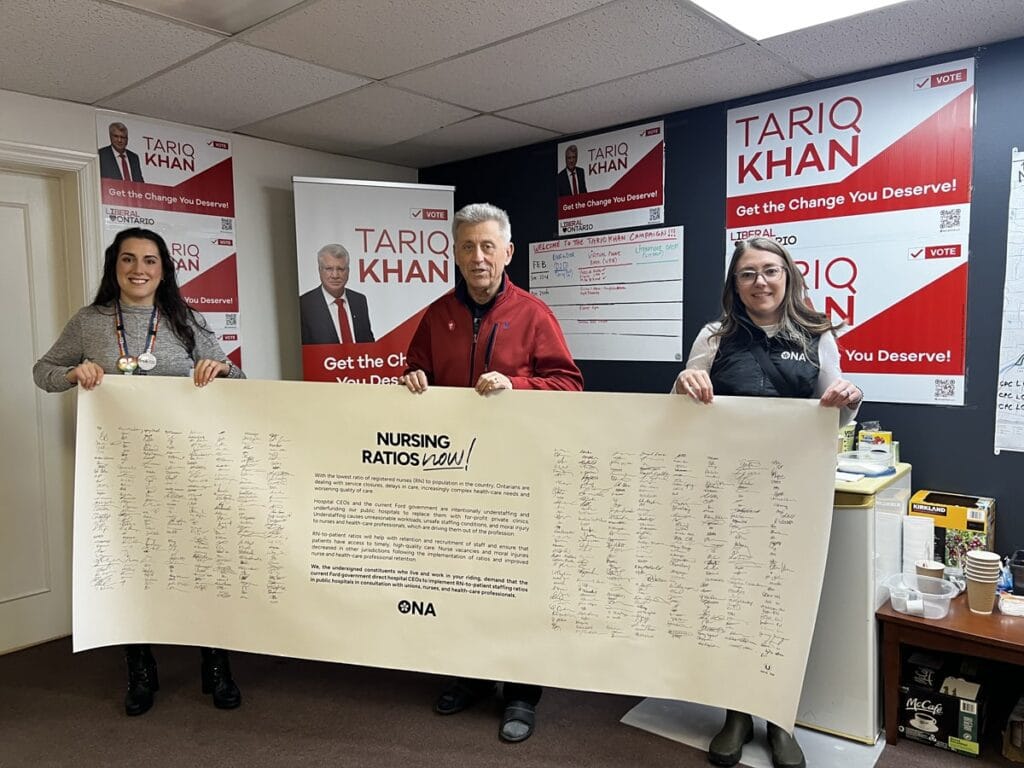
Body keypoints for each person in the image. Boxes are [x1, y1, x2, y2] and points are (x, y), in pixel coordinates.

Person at [33, 227, 244, 717]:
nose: (138, 269)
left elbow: (236, 375)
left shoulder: (185, 318)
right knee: (133, 571)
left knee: (202, 568)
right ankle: (140, 670)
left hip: (187, 468)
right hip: (121, 476)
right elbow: (43, 371)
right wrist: (72, 374)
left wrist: (221, 371)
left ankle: (217, 665)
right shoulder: (90, 323)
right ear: (114, 266)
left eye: (150, 260)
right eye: (128, 260)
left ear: (163, 269)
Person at [672, 237, 862, 768]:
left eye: (770, 271)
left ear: (789, 277)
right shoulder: (715, 335)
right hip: (727, 488)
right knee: (734, 600)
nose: (760, 281)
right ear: (735, 283)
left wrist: (846, 400)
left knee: (786, 603)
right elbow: (682, 411)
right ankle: (735, 714)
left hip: (795, 488)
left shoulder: (818, 334)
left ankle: (780, 718)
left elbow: (835, 411)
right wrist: (683, 381)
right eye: (748, 273)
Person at [400, 203, 583, 743]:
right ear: (454, 254)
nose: (477, 258)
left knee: (518, 585)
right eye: (467, 247)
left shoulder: (533, 314)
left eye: (487, 247)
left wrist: (516, 385)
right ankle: (472, 674)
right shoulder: (437, 315)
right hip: (454, 476)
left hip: (518, 476)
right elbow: (417, 372)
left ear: (507, 252)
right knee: (461, 580)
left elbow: (570, 386)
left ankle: (523, 692)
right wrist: (413, 379)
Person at [299, 243, 375, 344]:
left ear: (348, 271)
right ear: (319, 271)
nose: (335, 275)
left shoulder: (359, 300)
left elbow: (369, 344)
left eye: (341, 269)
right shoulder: (305, 304)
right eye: (329, 269)